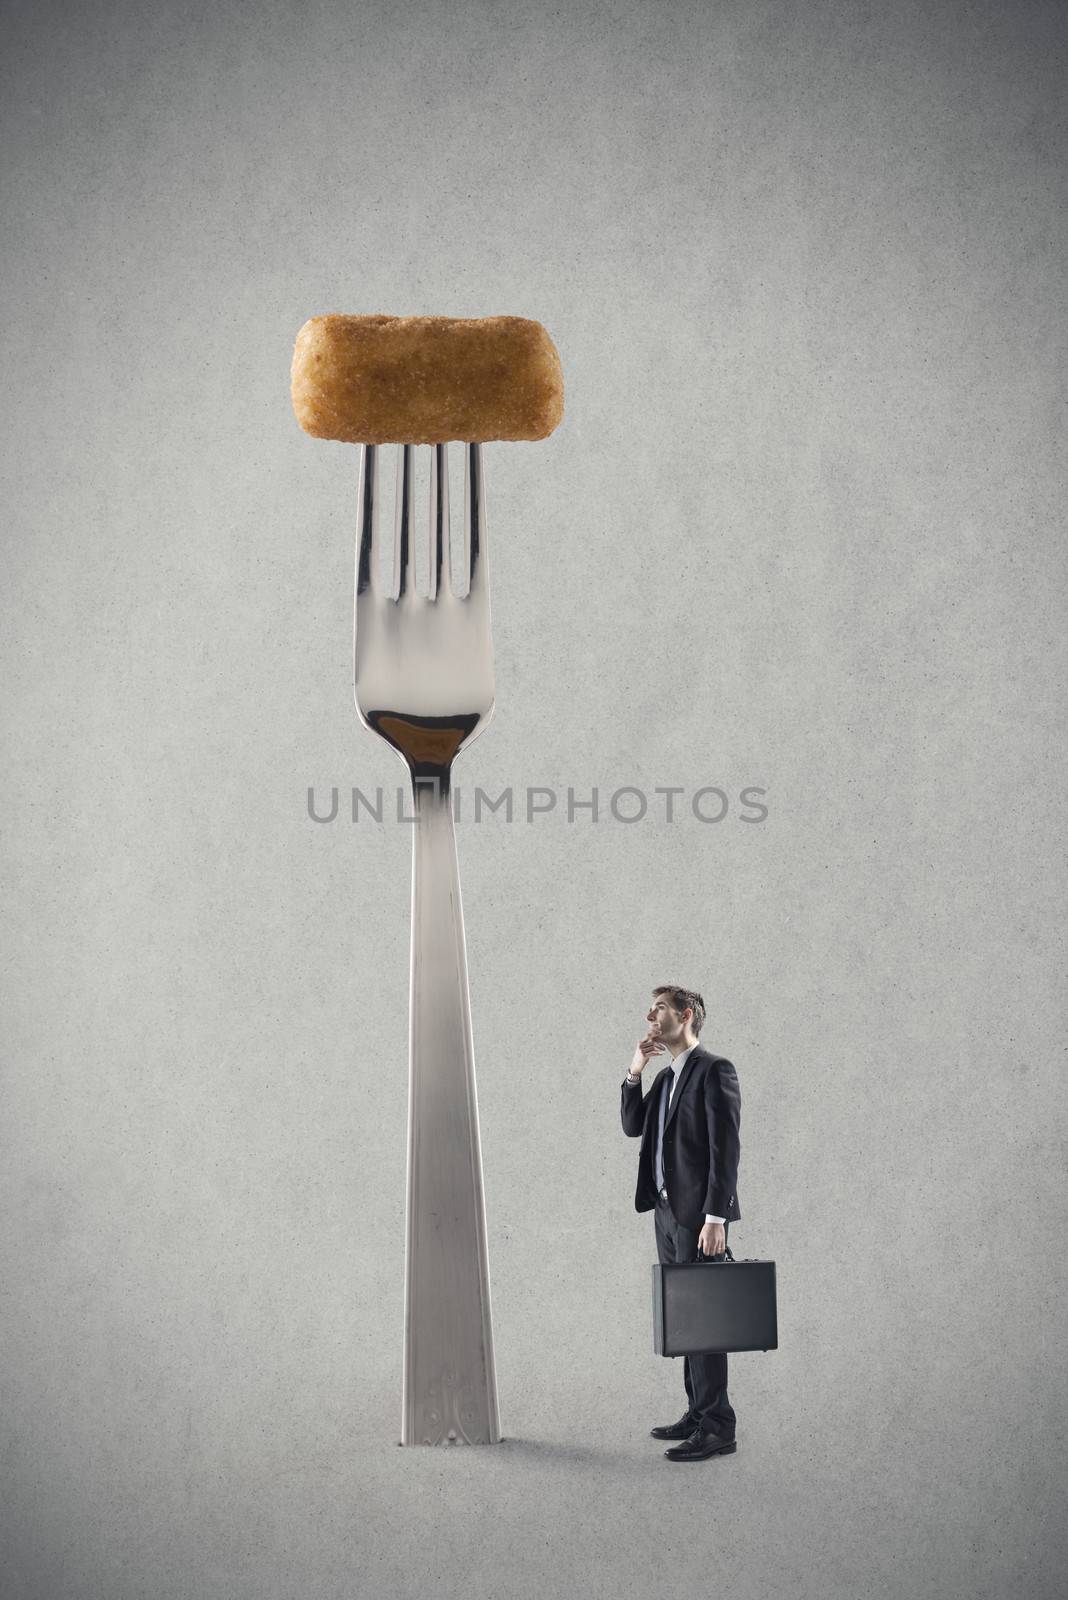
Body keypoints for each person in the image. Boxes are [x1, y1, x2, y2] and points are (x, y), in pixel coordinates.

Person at [621, 984, 742, 1460]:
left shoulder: (715, 1071)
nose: (650, 1014)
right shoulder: (668, 1078)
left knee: (705, 1318)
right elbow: (634, 1126)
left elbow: (725, 1150)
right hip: (667, 1213)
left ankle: (718, 1427)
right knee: (685, 1318)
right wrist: (636, 1070)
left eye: (660, 1008)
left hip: (699, 1217)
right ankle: (697, 1411)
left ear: (686, 1016)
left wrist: (717, 1217)